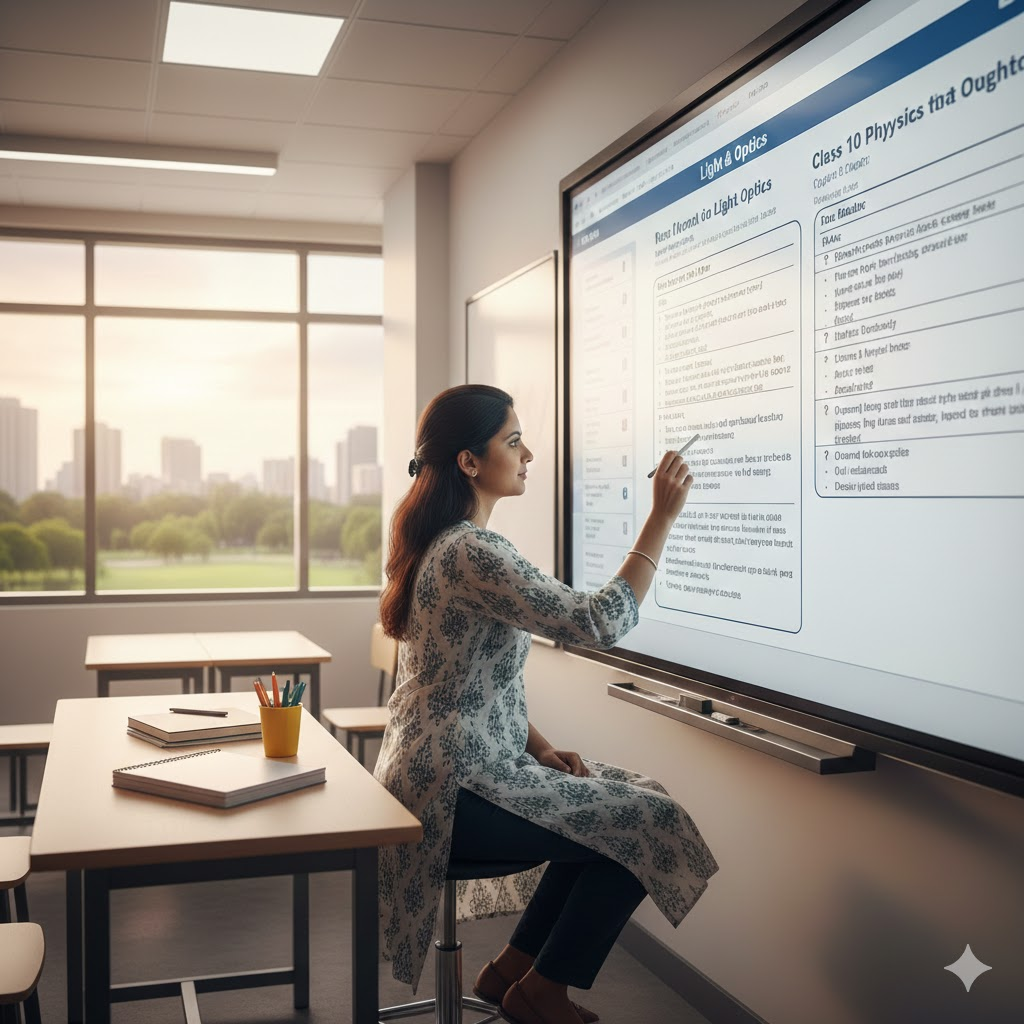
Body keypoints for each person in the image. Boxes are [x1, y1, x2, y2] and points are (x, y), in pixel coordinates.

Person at [375, 384, 718, 1024]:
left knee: (609, 802)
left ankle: (511, 974)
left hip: (436, 774)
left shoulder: (441, 544)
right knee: (647, 821)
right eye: (513, 440)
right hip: (455, 793)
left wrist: (538, 748)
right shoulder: (471, 551)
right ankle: (540, 993)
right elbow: (597, 621)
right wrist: (661, 518)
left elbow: (465, 683)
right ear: (469, 462)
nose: (528, 453)